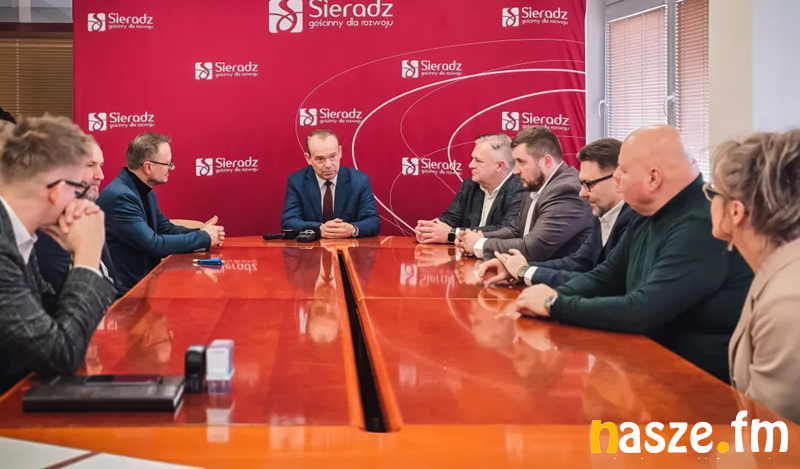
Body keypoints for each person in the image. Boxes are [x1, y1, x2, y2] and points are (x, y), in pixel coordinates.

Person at [514, 125, 753, 383]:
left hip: (700, 384)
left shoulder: (702, 222)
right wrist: (553, 295)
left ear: (653, 178)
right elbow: (608, 276)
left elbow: (643, 311)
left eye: (624, 170)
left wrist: (554, 304)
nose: (616, 176)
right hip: (650, 366)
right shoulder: (648, 211)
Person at [0, 115, 116, 395]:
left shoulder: (18, 235)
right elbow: (59, 355)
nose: (78, 200)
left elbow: (49, 316)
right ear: (56, 192)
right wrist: (87, 257)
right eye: (77, 189)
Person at [707, 130, 800, 422]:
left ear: (736, 211)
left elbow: (774, 437)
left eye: (713, 193)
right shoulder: (778, 269)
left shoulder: (787, 302)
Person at [478, 138, 635, 287]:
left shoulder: (635, 223)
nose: (582, 193)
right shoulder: (602, 215)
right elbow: (579, 262)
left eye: (588, 184)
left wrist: (525, 271)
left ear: (617, 180)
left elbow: (604, 283)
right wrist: (516, 268)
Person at [97, 132, 224, 292]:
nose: (172, 168)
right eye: (168, 163)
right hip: (124, 294)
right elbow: (154, 244)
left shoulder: (143, 192)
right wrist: (204, 237)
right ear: (148, 167)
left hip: (144, 285)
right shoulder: (121, 197)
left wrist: (203, 232)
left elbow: (165, 228)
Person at [457, 126, 592, 261]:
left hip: (556, 273)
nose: (516, 170)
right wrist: (480, 237)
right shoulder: (536, 183)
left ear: (546, 161)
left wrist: (479, 245)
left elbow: (534, 248)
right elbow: (515, 230)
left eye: (521, 162)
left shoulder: (566, 190)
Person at [35, 141, 121, 294]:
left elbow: (112, 282)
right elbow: (66, 296)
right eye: (90, 165)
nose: (100, 175)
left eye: (100, 165)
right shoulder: (50, 222)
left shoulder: (87, 211)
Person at [414, 134, 525, 244]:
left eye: (478, 161)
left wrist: (452, 234)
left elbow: (506, 231)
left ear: (500, 166)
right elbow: (450, 219)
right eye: (472, 159)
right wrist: (429, 229)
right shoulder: (469, 186)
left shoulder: (521, 188)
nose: (470, 165)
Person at [281, 129, 380, 238]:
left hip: (349, 247)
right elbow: (289, 222)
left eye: (332, 157)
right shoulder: (296, 181)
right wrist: (319, 229)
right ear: (308, 158)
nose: (328, 165)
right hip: (311, 247)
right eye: (320, 159)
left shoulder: (359, 181)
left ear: (340, 152)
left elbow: (373, 221)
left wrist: (352, 229)